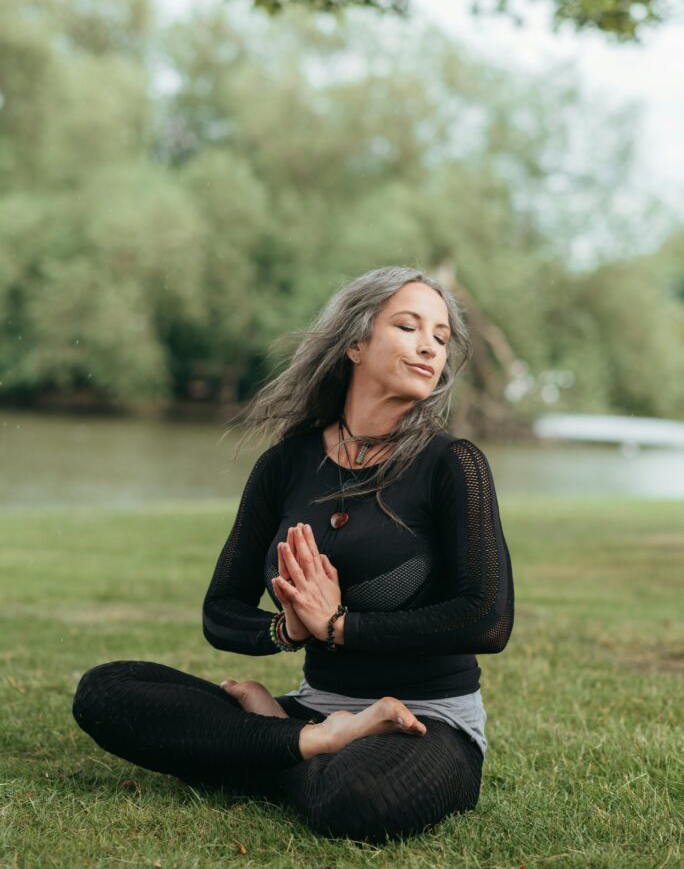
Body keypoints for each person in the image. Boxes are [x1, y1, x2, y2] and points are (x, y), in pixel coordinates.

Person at [72, 266, 514, 844]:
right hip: (316, 711)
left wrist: (338, 628)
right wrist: (288, 632)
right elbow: (221, 610)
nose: (430, 345)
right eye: (408, 327)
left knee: (355, 801)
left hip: (427, 722)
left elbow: (487, 618)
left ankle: (269, 744)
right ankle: (309, 742)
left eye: (440, 336)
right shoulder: (285, 465)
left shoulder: (454, 465)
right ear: (355, 343)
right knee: (106, 691)